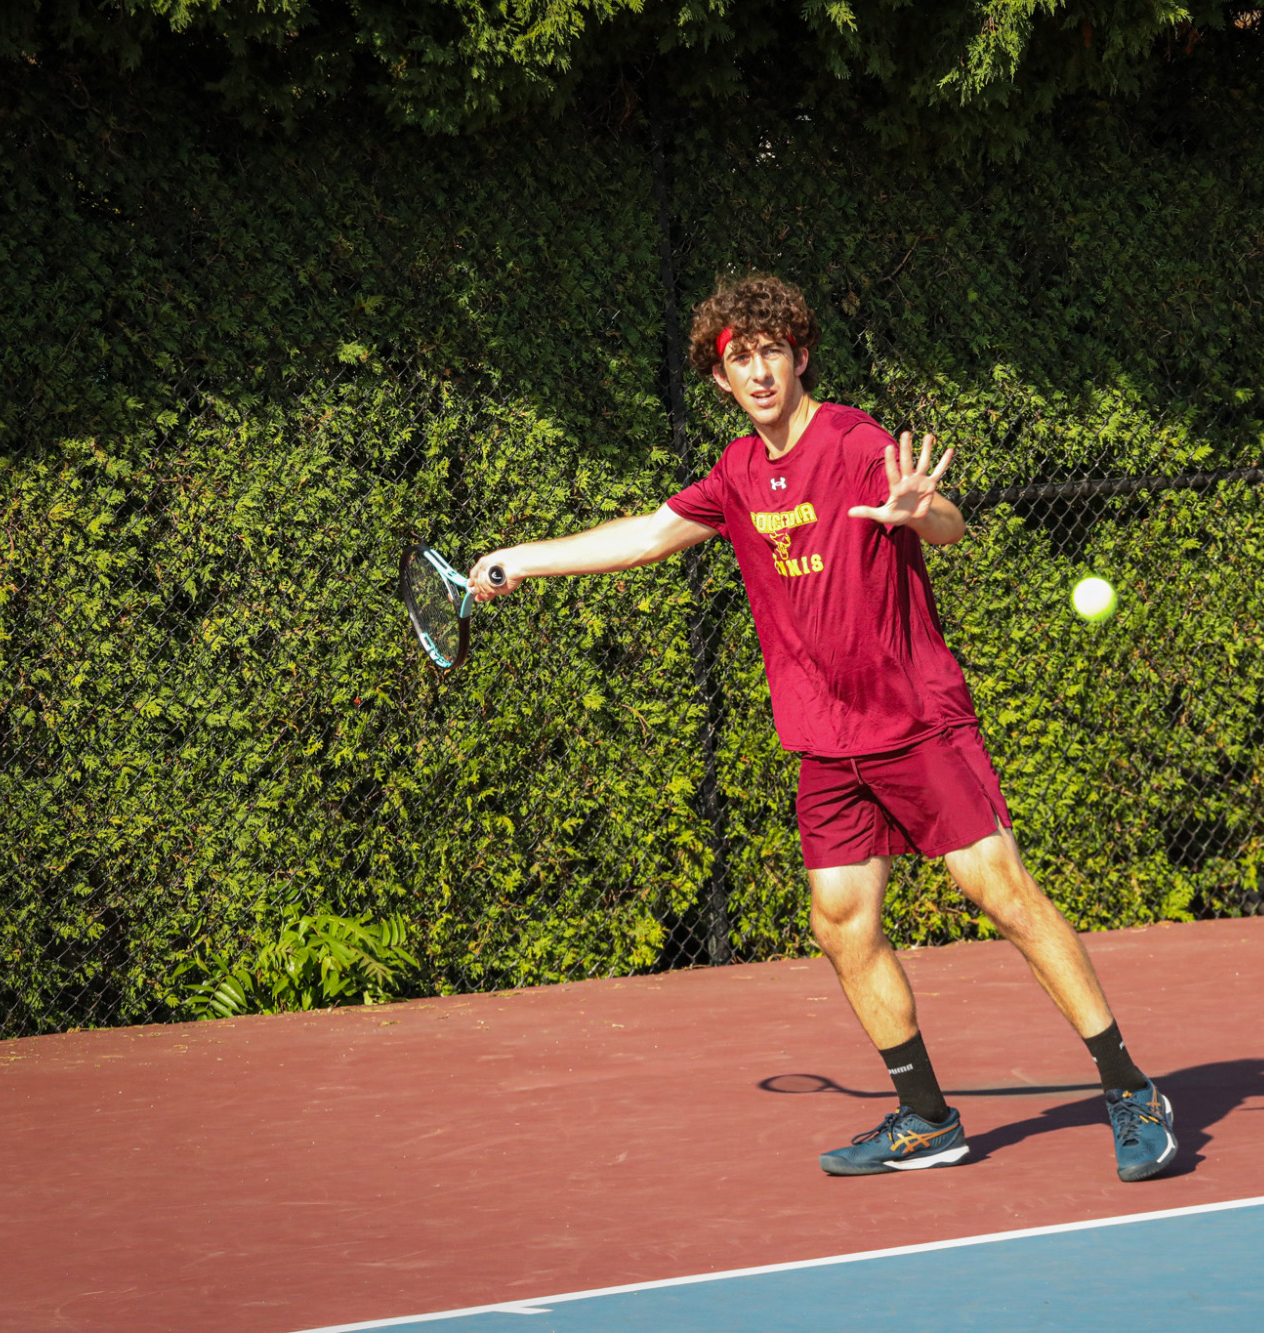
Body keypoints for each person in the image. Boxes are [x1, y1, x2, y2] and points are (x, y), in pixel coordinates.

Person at [469, 273, 1175, 1182]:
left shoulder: (853, 440)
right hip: (826, 741)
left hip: (915, 717)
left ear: (800, 357)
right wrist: (518, 561)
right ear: (721, 380)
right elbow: (645, 536)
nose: (759, 371)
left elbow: (944, 521)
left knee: (998, 888)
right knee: (842, 923)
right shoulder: (734, 474)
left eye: (772, 351)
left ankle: (1130, 1088)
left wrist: (929, 512)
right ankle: (926, 1117)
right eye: (739, 359)